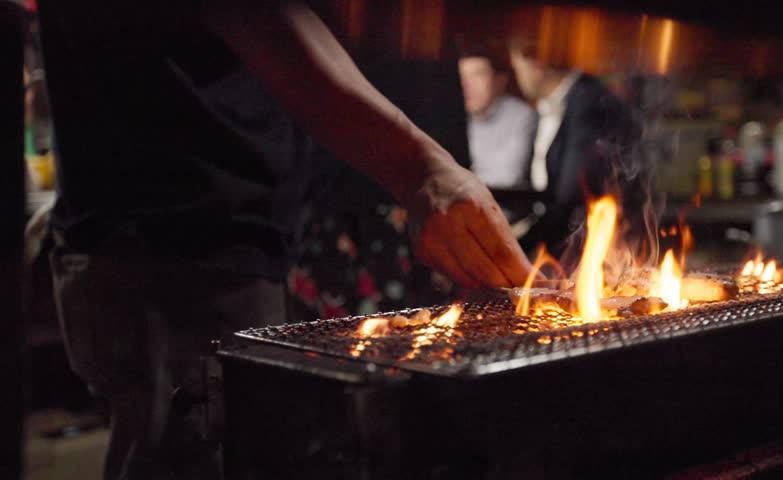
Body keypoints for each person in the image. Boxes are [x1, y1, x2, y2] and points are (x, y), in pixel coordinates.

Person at [37, 1, 531, 478]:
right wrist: (421, 170)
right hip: (173, 237)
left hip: (180, 237)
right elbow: (263, 19)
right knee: (204, 456)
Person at [508, 37, 648, 263]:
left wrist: (516, 246)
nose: (517, 75)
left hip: (601, 253)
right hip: (571, 249)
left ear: (536, 66)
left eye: (516, 67)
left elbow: (572, 194)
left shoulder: (589, 102)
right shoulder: (557, 104)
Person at [458, 47, 536, 189]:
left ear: (500, 80)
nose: (466, 85)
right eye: (461, 76)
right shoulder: (452, 116)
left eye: (477, 75)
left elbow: (508, 179)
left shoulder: (522, 116)